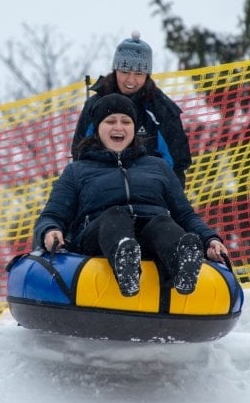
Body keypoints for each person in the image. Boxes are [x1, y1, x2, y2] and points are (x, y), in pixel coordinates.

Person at [36, 93, 228, 297]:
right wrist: (50, 231)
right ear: (98, 128)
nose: (118, 127)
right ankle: (125, 262)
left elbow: (185, 215)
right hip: (100, 237)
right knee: (116, 215)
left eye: (126, 122)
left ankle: (182, 264)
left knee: (163, 222)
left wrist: (209, 239)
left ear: (134, 128)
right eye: (110, 121)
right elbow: (53, 215)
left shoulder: (158, 166)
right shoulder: (78, 170)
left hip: (150, 239)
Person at [70, 31, 192, 188]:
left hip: (149, 193)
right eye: (125, 72)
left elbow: (176, 162)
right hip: (102, 190)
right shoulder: (95, 105)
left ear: (147, 75)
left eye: (139, 73)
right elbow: (79, 153)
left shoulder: (161, 108)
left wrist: (169, 199)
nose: (131, 80)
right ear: (115, 70)